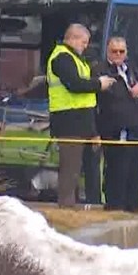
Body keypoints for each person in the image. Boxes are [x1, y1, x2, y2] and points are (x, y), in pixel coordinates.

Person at [46, 24, 114, 207]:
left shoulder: (76, 58)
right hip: (68, 121)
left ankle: (84, 205)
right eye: (84, 42)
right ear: (73, 38)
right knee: (70, 168)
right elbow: (74, 84)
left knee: (84, 168)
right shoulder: (62, 57)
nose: (85, 46)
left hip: (82, 121)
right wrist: (99, 84)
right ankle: (66, 207)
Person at [90, 36, 138, 212]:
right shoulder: (100, 70)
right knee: (117, 169)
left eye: (122, 51)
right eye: (114, 51)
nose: (118, 54)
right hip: (114, 128)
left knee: (136, 169)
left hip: (136, 127)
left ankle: (133, 207)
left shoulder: (131, 68)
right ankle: (115, 206)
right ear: (107, 52)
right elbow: (96, 99)